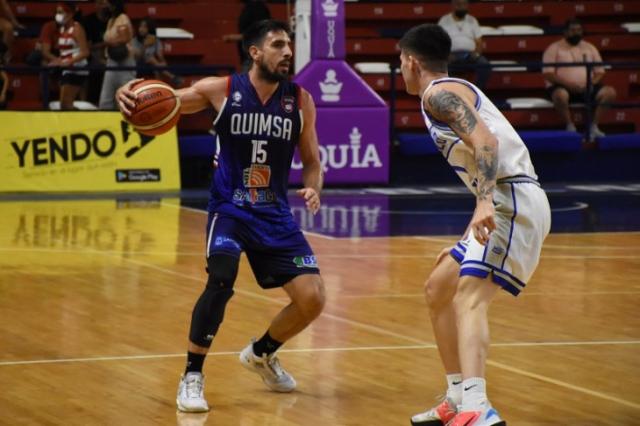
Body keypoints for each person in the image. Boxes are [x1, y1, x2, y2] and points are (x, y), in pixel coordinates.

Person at [117, 19, 325, 413]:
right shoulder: (222, 90)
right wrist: (127, 93)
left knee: (313, 299)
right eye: (277, 45)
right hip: (230, 208)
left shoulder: (300, 101)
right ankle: (192, 375)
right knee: (222, 278)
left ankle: (261, 353)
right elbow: (165, 100)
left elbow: (313, 161)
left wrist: (314, 186)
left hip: (274, 213)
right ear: (255, 52)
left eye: (288, 45)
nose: (287, 52)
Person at [398, 24, 550, 426]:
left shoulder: (438, 94)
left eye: (400, 62)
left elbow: (486, 143)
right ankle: (456, 396)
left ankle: (478, 406)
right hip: (504, 198)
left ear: (412, 62)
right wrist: (468, 233)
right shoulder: (447, 91)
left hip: (512, 200)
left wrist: (484, 201)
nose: (401, 70)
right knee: (439, 287)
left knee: (469, 297)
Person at [542, 18, 616, 141]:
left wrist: (590, 83)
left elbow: (600, 71)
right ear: (565, 32)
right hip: (563, 87)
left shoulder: (590, 47)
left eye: (579, 30)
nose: (576, 33)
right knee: (560, 95)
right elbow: (548, 73)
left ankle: (594, 126)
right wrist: (570, 85)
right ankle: (570, 126)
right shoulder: (554, 48)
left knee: (610, 92)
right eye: (572, 30)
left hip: (587, 86)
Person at [438, 0, 490, 90]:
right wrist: (446, 55)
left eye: (464, 4)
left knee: (484, 65)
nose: (461, 7)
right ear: (453, 5)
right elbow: (439, 41)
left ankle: (476, 91)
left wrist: (476, 54)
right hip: (451, 55)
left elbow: (479, 42)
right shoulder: (444, 20)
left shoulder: (472, 20)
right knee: (440, 67)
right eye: (459, 4)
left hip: (470, 55)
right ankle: (450, 91)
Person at [47, 3, 89, 110]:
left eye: (60, 12)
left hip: (77, 69)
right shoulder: (62, 29)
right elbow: (65, 52)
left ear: (70, 14)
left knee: (66, 104)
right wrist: (57, 61)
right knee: (64, 104)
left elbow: (85, 52)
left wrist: (68, 62)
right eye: (57, 12)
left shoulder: (77, 28)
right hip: (66, 69)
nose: (58, 15)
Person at [99, 0, 134, 109]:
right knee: (105, 99)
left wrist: (107, 43)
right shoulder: (111, 20)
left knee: (125, 97)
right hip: (111, 61)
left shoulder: (123, 18)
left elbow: (124, 38)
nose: (105, 6)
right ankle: (105, 119)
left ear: (114, 5)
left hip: (124, 61)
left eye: (107, 3)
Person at [132, 17, 182, 86]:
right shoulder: (134, 41)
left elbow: (159, 54)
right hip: (138, 64)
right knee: (151, 59)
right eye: (140, 26)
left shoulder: (155, 40)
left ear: (150, 28)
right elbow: (138, 57)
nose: (141, 29)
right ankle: (171, 77)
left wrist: (163, 62)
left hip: (152, 65)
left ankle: (160, 86)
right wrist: (145, 46)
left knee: (156, 68)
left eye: (144, 27)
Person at [223, 0, 271, 71]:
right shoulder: (251, 7)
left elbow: (260, 33)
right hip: (249, 56)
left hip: (254, 57)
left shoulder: (258, 8)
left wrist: (233, 37)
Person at [82, 0, 110, 105]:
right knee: (97, 68)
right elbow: (88, 47)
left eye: (106, 3)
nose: (104, 6)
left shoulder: (114, 19)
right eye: (101, 3)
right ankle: (92, 103)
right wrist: (106, 43)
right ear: (96, 5)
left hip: (111, 54)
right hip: (93, 55)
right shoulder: (89, 21)